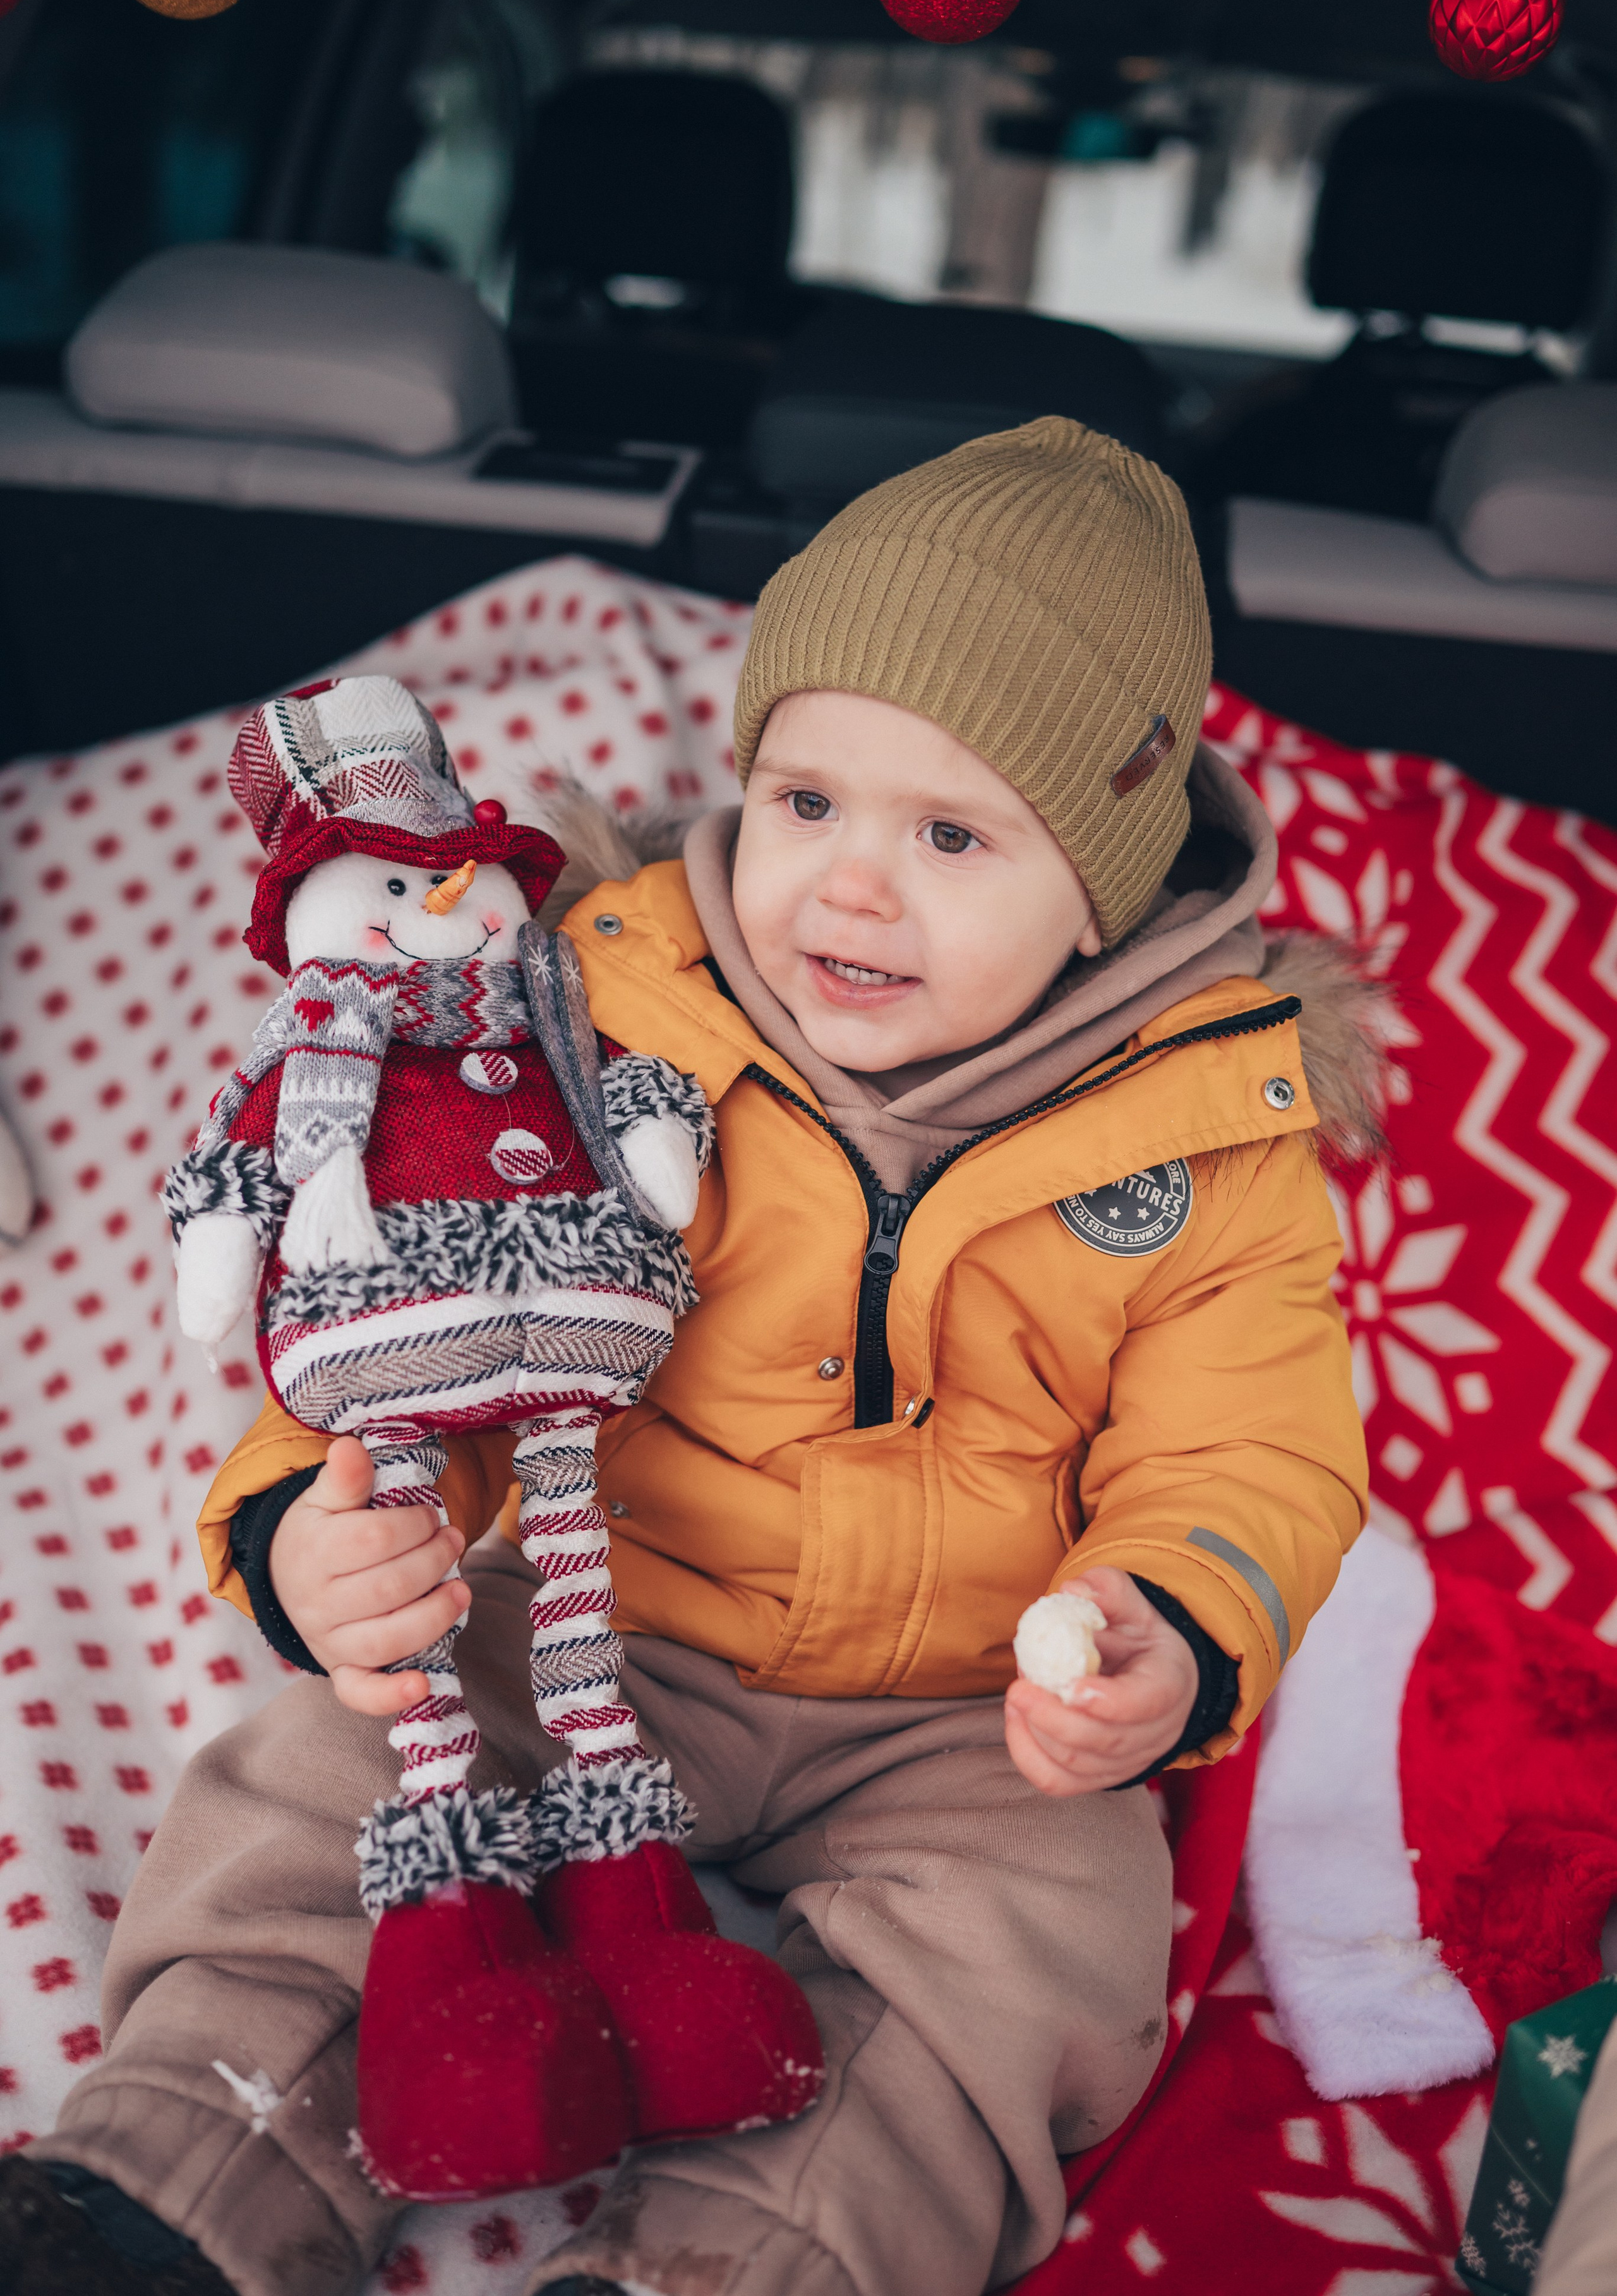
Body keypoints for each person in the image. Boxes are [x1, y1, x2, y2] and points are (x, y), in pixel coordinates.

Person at [3, 417, 1374, 2296]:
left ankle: (746, 2257)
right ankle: (181, 2171)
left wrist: (1170, 1615)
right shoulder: (597, 1012)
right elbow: (423, 1304)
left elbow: (1255, 1443)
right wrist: (318, 1540)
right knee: (338, 1779)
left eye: (951, 835)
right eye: (808, 801)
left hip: (962, 1709)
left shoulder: (1215, 1133)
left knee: (1049, 1927)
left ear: (1105, 891)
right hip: (596, 1611)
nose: (851, 888)